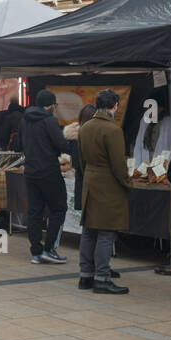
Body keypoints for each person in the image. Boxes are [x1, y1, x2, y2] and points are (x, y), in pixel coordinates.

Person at [77, 89, 131, 294]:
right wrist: (127, 184)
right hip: (109, 186)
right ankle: (102, 278)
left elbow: (81, 161)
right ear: (115, 106)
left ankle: (86, 276)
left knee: (89, 232)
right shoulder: (113, 130)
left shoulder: (85, 128)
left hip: (90, 183)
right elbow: (119, 164)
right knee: (106, 234)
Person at [21, 89, 73, 264]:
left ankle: (36, 251)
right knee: (59, 209)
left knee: (34, 211)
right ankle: (49, 249)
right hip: (49, 171)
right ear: (51, 105)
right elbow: (61, 144)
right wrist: (70, 142)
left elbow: (21, 142)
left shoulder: (25, 119)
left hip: (30, 171)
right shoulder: (49, 120)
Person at [68, 104, 96, 214]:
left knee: (87, 222)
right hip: (91, 184)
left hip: (82, 184)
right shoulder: (90, 136)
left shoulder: (75, 136)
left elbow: (75, 163)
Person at [133, 101, 171, 167]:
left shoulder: (169, 122)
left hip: (161, 170)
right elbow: (138, 146)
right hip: (145, 168)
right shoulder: (144, 121)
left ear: (159, 108)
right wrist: (137, 168)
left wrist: (165, 169)